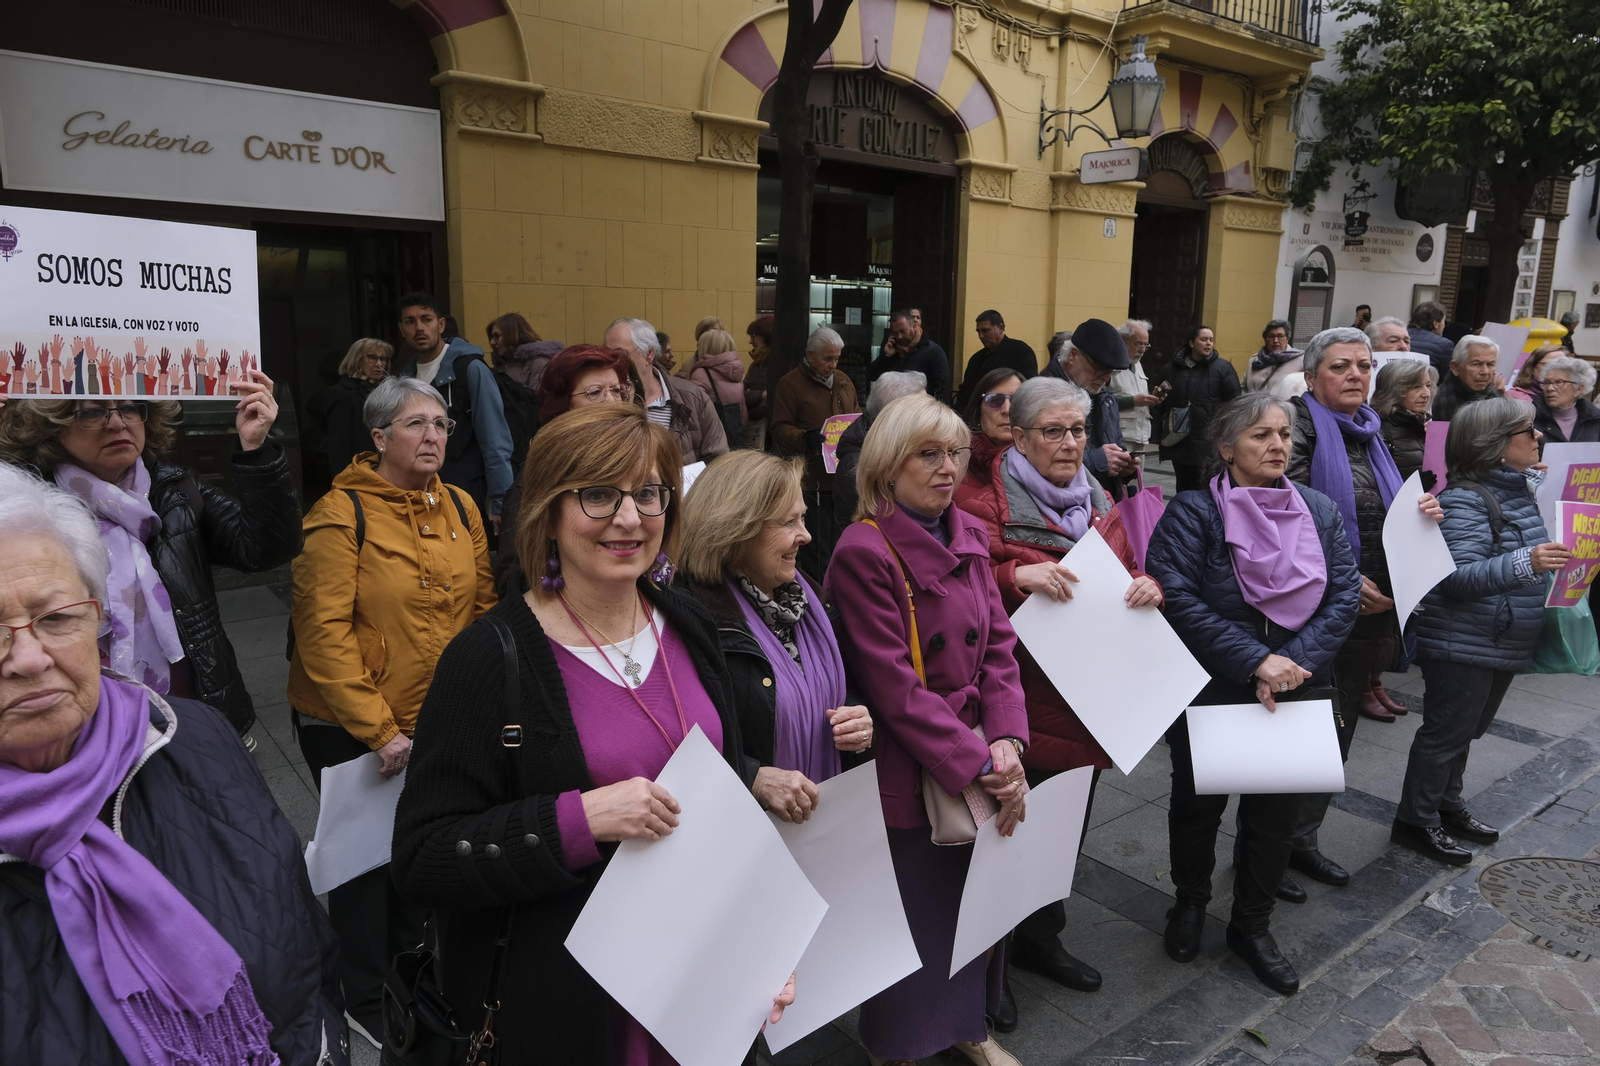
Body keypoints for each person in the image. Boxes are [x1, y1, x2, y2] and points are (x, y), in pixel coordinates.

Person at [391, 404, 794, 1063]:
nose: (630, 518)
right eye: (598, 495)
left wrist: (759, 953)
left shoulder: (688, 623)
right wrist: (579, 819)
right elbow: (422, 857)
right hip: (571, 1012)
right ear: (549, 510)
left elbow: (722, 805)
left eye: (648, 492)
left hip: (701, 992)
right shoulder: (489, 660)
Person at [0, 466, 346, 1066]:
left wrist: (325, 1046)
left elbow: (304, 940)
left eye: (56, 617)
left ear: (98, 621)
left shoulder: (195, 737)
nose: (30, 659)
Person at [288, 377, 496, 1046]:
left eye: (441, 423)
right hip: (351, 724)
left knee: (416, 848)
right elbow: (322, 635)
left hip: (433, 718)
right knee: (361, 868)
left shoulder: (461, 505)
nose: (434, 435)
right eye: (416, 424)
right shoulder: (338, 512)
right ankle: (361, 996)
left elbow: (483, 608)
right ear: (379, 438)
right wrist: (378, 729)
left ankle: (408, 978)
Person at [826, 393, 1029, 1066]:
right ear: (887, 466)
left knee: (979, 900)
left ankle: (969, 1026)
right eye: (928, 454)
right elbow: (896, 692)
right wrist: (978, 762)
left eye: (955, 453)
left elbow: (1001, 648)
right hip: (914, 766)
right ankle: (903, 1046)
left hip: (975, 750)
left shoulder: (965, 528)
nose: (948, 468)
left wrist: (1008, 739)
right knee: (917, 914)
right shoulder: (865, 551)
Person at [956, 376, 1163, 1014]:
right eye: (1054, 431)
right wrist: (1014, 573)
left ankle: (1043, 941)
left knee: (1064, 830)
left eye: (1078, 430)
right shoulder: (980, 501)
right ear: (1017, 437)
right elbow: (960, 579)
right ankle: (991, 969)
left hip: (1085, 697)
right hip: (1020, 698)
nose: (1071, 443)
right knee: (1006, 834)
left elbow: (1122, 568)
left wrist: (1144, 584)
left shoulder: (1099, 497)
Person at [1145, 394, 1360, 994]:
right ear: (1225, 447)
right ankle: (1188, 903)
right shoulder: (1193, 513)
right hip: (1213, 685)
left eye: (1285, 435)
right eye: (1261, 434)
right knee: (1197, 807)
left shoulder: (1318, 509)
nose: (1277, 445)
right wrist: (1255, 660)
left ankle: (1252, 926)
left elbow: (1343, 595)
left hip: (1295, 684)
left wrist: (1292, 663)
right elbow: (1176, 595)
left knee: (1273, 818)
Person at [0, 379, 302, 739]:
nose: (116, 423)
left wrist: (255, 450)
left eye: (130, 408)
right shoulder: (25, 511)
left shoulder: (175, 489)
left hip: (192, 708)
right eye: (92, 412)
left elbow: (268, 548)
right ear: (52, 428)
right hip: (81, 726)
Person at [1286, 327, 1444, 885]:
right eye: (1340, 366)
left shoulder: (1371, 431)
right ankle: (1269, 847)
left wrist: (1421, 509)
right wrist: (1346, 581)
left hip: (1370, 603)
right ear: (1310, 377)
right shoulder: (1294, 427)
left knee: (1340, 722)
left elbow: (1388, 507)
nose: (1356, 375)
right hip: (1309, 608)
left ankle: (1301, 838)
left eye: (1363, 365)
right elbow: (1285, 519)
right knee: (1300, 728)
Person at [1393, 398, 1569, 865]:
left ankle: (1446, 805)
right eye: (1527, 432)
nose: (1538, 438)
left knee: (1464, 732)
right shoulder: (1466, 499)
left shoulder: (1512, 490)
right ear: (1493, 445)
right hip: (1463, 640)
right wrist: (1525, 562)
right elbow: (1456, 577)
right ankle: (1417, 820)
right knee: (1445, 733)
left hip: (1496, 637)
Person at [680, 450, 872, 813]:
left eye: (803, 518)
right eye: (788, 523)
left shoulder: (811, 602)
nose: (807, 536)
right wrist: (753, 776)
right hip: (745, 832)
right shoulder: (696, 620)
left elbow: (836, 694)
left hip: (826, 826)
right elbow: (679, 748)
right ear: (736, 529)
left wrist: (857, 721)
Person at [494, 345, 639, 597]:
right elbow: (512, 580)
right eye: (595, 392)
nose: (611, 401)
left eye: (617, 390)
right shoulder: (535, 481)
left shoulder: (638, 465)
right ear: (563, 407)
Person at [396, 292, 514, 533]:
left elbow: (495, 439)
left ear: (440, 325)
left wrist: (502, 501)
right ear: (401, 329)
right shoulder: (405, 379)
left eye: (426, 319)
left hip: (467, 494)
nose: (419, 328)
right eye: (410, 321)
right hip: (419, 496)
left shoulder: (470, 369)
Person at [771, 326, 859, 582]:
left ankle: (839, 584)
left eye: (837, 358)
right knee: (816, 542)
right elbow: (778, 428)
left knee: (840, 536)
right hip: (812, 478)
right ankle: (817, 591)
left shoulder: (843, 380)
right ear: (810, 355)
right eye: (827, 358)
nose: (833, 364)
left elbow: (854, 415)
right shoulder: (790, 383)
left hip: (842, 474)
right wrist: (804, 437)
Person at [605, 317, 728, 464]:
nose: (611, 362)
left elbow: (719, 462)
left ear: (649, 355)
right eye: (606, 354)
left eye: (620, 354)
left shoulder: (692, 397)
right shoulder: (604, 399)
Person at [1042, 318, 1136, 500]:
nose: (1107, 378)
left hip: (1104, 507)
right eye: (1100, 369)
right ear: (1073, 356)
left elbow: (1117, 445)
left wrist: (1124, 465)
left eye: (1112, 372)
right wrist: (1099, 460)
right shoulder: (1040, 395)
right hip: (1061, 506)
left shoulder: (1106, 398)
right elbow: (1037, 459)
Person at [834, 370, 926, 531]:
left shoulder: (905, 446)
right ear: (895, 416)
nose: (930, 416)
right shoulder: (857, 464)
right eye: (923, 410)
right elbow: (882, 524)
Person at [1154, 325, 1242, 493]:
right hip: (1179, 437)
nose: (1208, 344)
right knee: (1182, 484)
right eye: (1203, 339)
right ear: (1191, 343)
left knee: (1205, 485)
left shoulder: (1223, 369)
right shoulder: (1170, 370)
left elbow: (1235, 404)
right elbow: (1161, 403)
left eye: (1211, 340)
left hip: (1208, 439)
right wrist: (1156, 432)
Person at [313, 337, 391, 477]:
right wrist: (343, 482)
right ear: (357, 360)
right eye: (372, 357)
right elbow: (338, 445)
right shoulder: (341, 393)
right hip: (357, 473)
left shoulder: (385, 392)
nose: (379, 364)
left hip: (385, 469)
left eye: (383, 359)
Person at [953, 367, 1026, 512]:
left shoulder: (1043, 464)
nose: (1007, 409)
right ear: (978, 411)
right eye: (994, 400)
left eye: (1016, 401)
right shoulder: (955, 463)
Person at [955, 310, 1038, 410]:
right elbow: (966, 393)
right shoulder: (976, 359)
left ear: (1001, 328)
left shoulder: (1021, 352)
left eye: (985, 331)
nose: (981, 336)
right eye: (978, 332)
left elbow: (1028, 389)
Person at [1375, 358, 1439, 486]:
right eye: (1416, 387)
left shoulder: (1427, 425)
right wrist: (1411, 487)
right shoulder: (1378, 431)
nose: (1426, 394)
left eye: (1428, 385)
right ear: (1393, 391)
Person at [869, 309, 952, 405]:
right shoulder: (892, 349)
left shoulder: (934, 352)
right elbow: (872, 375)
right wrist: (886, 356)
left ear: (914, 326)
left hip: (919, 411)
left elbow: (941, 389)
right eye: (895, 333)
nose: (899, 336)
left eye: (903, 331)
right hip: (892, 410)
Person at [683, 327, 748, 435]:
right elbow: (743, 415)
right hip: (735, 437)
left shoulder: (701, 374)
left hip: (711, 438)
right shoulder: (738, 373)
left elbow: (694, 413)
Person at [1111, 318, 1159, 456]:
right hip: (1119, 438)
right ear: (1123, 340)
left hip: (1140, 436)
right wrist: (1133, 401)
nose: (1143, 350)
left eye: (1146, 345)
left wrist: (1152, 399)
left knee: (1137, 478)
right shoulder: (1110, 365)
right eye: (1138, 344)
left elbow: (1136, 394)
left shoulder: (1137, 364)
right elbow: (1100, 401)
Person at [1432, 335, 1504, 422]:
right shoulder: (1435, 402)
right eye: (1476, 364)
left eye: (1490, 364)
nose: (1485, 372)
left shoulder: (1499, 401)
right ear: (1455, 367)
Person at [1533, 355, 1600, 444]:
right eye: (1546, 382)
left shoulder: (1595, 419)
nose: (1550, 388)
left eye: (1558, 382)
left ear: (1579, 389)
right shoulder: (1531, 418)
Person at [1244, 319, 1307, 399]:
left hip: (1284, 409)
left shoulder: (1300, 361)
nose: (1275, 341)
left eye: (1280, 336)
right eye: (1271, 336)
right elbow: (1244, 389)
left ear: (1287, 338)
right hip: (1256, 408)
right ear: (1265, 339)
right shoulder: (1255, 360)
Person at [744, 314, 776, 450]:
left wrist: (751, 405)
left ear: (765, 336)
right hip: (757, 431)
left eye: (753, 336)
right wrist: (761, 395)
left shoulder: (777, 365)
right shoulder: (756, 365)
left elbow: (772, 402)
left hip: (770, 434)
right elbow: (743, 394)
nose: (750, 342)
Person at [1407, 301, 1455, 379]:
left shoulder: (1400, 336)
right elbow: (1447, 377)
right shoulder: (1444, 344)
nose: (1444, 325)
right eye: (1443, 321)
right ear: (1436, 324)